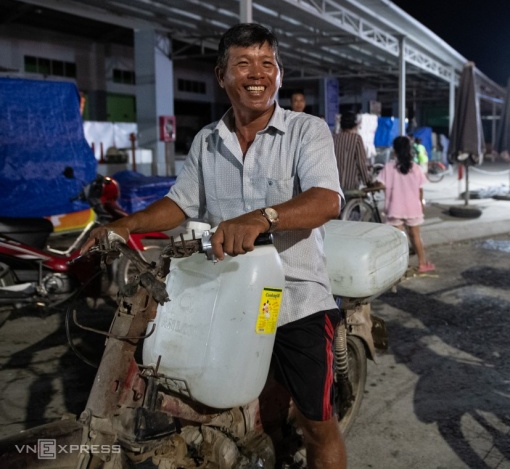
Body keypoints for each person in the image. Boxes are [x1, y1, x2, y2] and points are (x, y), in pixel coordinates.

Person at [81, 23, 347, 467]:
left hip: (296, 296)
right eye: (243, 64)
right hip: (229, 292)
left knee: (316, 421)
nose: (257, 73)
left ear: (279, 75)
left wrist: (264, 216)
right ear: (222, 75)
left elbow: (327, 199)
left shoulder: (307, 130)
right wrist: (123, 226)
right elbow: (179, 203)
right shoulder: (207, 141)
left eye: (268, 63)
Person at [376, 135, 434, 273]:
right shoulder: (415, 168)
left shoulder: (389, 167)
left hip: (395, 208)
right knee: (415, 237)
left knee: (397, 240)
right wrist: (421, 203)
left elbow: (379, 184)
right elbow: (420, 190)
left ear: (394, 151)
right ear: (409, 150)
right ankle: (422, 264)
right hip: (413, 207)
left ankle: (397, 268)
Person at [333, 111, 372, 193]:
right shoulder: (356, 139)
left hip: (333, 186)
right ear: (355, 125)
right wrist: (367, 181)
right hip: (350, 186)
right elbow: (361, 163)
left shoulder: (334, 138)